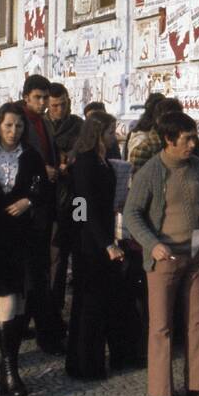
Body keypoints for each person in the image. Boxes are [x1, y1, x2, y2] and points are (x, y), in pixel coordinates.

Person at [123, 111, 199, 396]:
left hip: (194, 254)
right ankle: (162, 390)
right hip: (164, 258)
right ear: (169, 140)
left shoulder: (196, 167)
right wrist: (152, 245)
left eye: (193, 137)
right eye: (187, 139)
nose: (192, 144)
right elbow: (132, 213)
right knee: (161, 326)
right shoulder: (151, 172)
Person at [0, 103, 51, 396]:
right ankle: (9, 372)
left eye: (18, 126)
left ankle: (11, 369)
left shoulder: (30, 156)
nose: (14, 131)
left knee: (18, 304)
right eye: (8, 126)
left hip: (22, 239)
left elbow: (43, 188)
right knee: (6, 302)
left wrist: (28, 201)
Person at [65, 111, 141, 379]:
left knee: (107, 302)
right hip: (90, 243)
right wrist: (106, 243)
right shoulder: (85, 163)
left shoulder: (103, 161)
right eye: (109, 132)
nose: (113, 137)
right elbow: (83, 208)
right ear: (97, 134)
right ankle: (85, 365)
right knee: (89, 306)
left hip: (102, 234)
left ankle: (115, 356)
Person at [13, 75, 68, 355]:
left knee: (39, 269)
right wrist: (39, 170)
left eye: (46, 98)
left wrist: (57, 164)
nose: (44, 103)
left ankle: (30, 323)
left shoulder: (44, 121)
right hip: (26, 206)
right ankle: (43, 330)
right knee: (33, 271)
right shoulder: (16, 121)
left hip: (45, 202)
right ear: (26, 97)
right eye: (39, 97)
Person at [47, 83, 84, 317]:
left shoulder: (78, 125)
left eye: (62, 104)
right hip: (49, 199)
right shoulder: (41, 126)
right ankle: (48, 308)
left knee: (71, 253)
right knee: (54, 256)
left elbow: (83, 149)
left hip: (74, 196)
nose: (59, 109)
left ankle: (61, 307)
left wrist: (71, 159)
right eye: (54, 105)